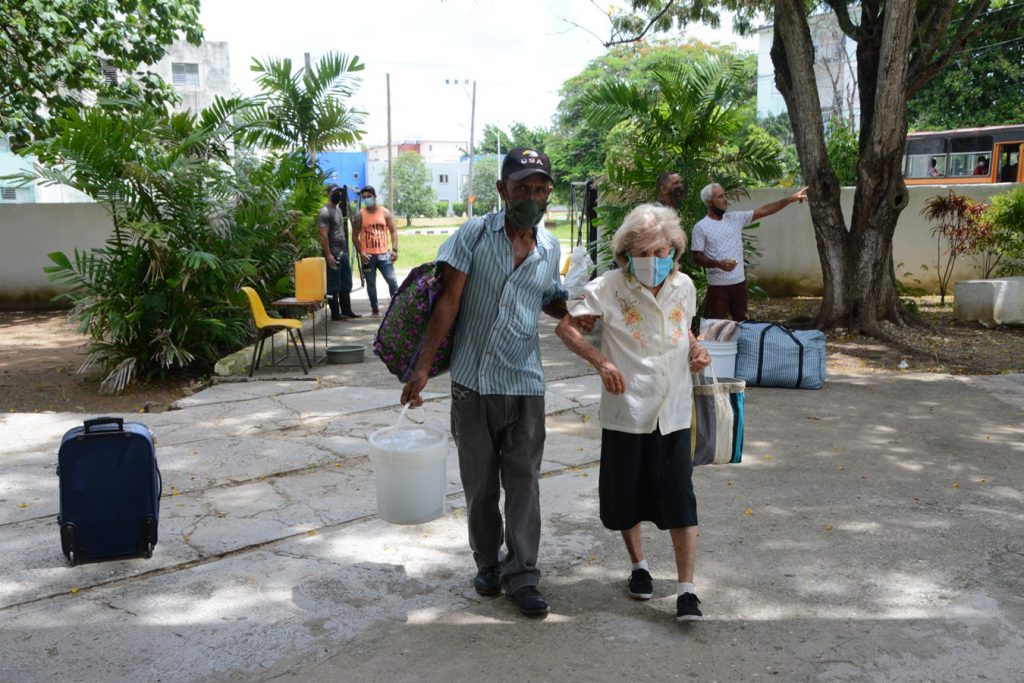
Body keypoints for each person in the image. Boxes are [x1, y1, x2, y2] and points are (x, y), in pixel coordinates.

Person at [401, 148, 579, 617]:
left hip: (525, 383)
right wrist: (421, 368)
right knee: (481, 486)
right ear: (503, 191)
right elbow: (448, 303)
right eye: (523, 188)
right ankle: (487, 563)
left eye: (541, 190)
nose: (533, 198)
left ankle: (522, 574)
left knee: (524, 483)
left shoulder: (550, 247)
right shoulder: (473, 236)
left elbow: (551, 299)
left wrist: (588, 314)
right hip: (473, 384)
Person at [555, 204, 712, 622]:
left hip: (674, 410)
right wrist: (601, 362)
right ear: (626, 253)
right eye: (642, 253)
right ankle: (639, 567)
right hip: (627, 409)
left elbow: (686, 328)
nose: (653, 261)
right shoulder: (608, 286)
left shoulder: (685, 285)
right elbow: (567, 327)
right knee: (627, 498)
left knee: (681, 498)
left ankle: (687, 589)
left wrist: (696, 350)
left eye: (661, 251)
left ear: (675, 250)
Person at [691, 183, 808, 321]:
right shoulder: (701, 227)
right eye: (720, 196)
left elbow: (764, 211)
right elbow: (697, 257)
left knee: (743, 322)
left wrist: (790, 199)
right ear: (709, 202)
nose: (725, 199)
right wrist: (718, 264)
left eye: (725, 195)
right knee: (717, 324)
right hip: (717, 287)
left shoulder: (735, 218)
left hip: (739, 284)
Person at [352, 186, 399, 317]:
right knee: (371, 284)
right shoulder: (359, 215)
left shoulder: (385, 213)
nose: (367, 199)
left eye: (369, 196)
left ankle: (396, 307)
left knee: (392, 281)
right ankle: (375, 309)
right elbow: (354, 236)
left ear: (375, 197)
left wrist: (395, 250)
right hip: (368, 256)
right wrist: (361, 252)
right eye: (364, 197)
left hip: (384, 254)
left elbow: (394, 231)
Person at [318, 184, 361, 321]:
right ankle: (335, 314)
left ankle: (347, 311)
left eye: (339, 192)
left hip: (343, 253)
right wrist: (328, 254)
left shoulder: (338, 210)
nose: (338, 194)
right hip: (333, 253)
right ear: (328, 193)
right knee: (333, 285)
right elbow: (323, 235)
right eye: (335, 192)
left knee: (346, 283)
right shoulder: (325, 211)